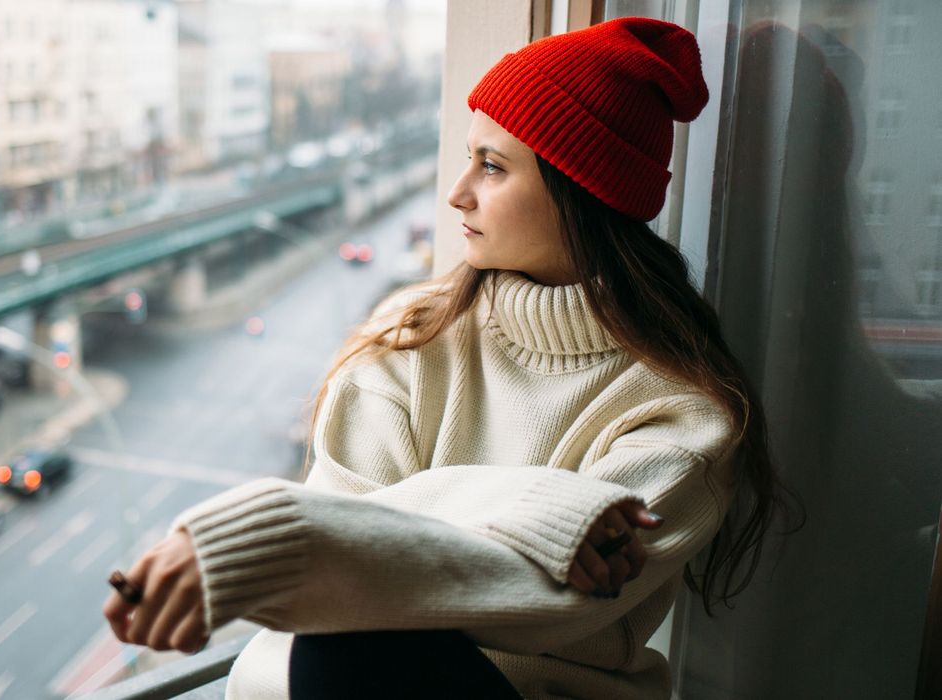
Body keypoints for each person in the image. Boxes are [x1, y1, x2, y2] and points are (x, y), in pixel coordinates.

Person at [103, 17, 795, 699]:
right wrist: (534, 501)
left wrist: (263, 543)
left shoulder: (683, 415)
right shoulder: (412, 335)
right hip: (301, 685)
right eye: (468, 158)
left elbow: (528, 593)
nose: (457, 192)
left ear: (583, 190)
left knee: (365, 645)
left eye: (492, 166)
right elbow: (346, 561)